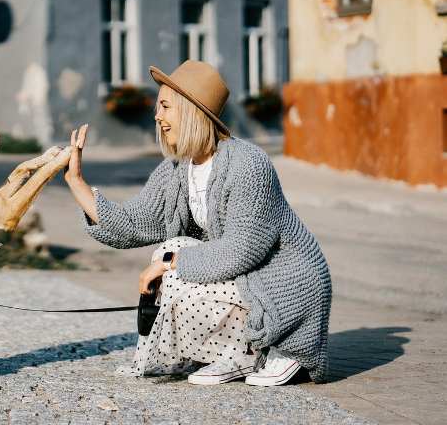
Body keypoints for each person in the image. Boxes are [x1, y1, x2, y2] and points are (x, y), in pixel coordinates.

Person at [64, 61, 331, 386]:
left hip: (286, 285)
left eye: (165, 107)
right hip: (247, 279)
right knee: (170, 249)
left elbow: (241, 250)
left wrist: (169, 265)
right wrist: (77, 182)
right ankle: (237, 352)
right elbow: (134, 223)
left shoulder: (249, 164)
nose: (157, 117)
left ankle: (274, 346)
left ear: (191, 110)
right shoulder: (178, 168)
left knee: (172, 263)